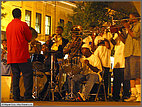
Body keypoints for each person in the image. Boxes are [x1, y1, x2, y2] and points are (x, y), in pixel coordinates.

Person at [6, 8, 33, 101]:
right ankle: (27, 96)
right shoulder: (23, 25)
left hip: (12, 56)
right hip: (22, 55)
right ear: (20, 15)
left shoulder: (8, 26)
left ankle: (16, 96)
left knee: (15, 76)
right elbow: (29, 37)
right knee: (27, 75)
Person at [117, 12, 141, 102]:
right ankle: (133, 94)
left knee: (137, 74)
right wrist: (119, 33)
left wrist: (127, 27)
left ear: (136, 18)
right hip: (128, 53)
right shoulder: (130, 27)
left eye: (131, 18)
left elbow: (135, 35)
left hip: (136, 53)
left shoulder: (139, 25)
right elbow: (125, 41)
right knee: (130, 76)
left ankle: (139, 94)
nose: (129, 20)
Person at [110, 33, 130, 101]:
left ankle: (126, 95)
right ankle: (115, 96)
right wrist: (111, 36)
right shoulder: (116, 34)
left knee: (126, 81)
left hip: (124, 61)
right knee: (116, 81)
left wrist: (119, 33)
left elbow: (125, 41)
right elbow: (113, 43)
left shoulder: (127, 32)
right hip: (117, 62)